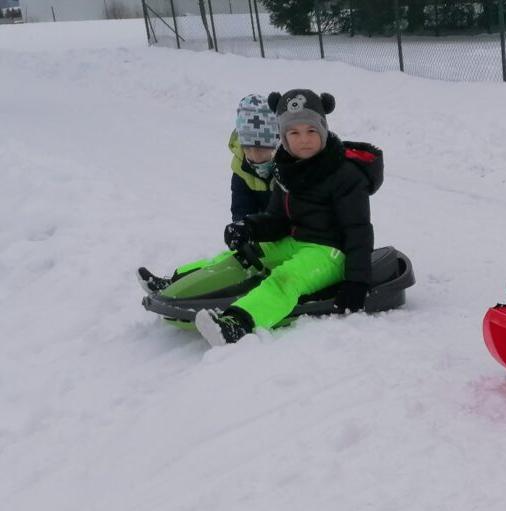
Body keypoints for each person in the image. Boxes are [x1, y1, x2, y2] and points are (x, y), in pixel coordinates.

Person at [139, 89, 382, 347]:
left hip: (330, 251)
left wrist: (357, 281)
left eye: (311, 131)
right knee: (244, 256)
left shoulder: (344, 175)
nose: (304, 140)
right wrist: (249, 228)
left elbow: (358, 231)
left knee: (286, 278)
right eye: (294, 133)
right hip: (294, 241)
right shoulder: (286, 170)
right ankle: (180, 282)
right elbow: (277, 219)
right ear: (284, 137)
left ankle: (237, 324)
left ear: (323, 130)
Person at [230, 93, 280, 221]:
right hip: (260, 232)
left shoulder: (289, 165)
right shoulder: (241, 170)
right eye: (247, 148)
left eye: (261, 148)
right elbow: (241, 210)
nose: (255, 156)